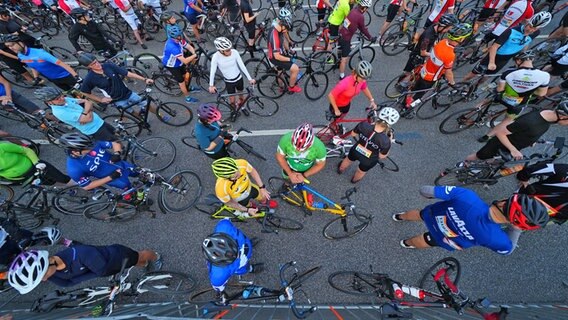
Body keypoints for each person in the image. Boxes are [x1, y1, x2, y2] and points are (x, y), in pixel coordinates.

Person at [393, 186, 548, 254]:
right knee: (427, 240)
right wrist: (515, 229)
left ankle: (399, 216)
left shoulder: (467, 196)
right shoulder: (498, 240)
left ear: (503, 202)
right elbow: (508, 250)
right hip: (448, 239)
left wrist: (432, 195)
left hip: (434, 215)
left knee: (420, 214)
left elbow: (425, 190)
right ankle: (406, 243)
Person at [8, 244, 162, 294]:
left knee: (139, 256)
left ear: (49, 263)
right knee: (136, 263)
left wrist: (113, 280)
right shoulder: (52, 273)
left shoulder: (81, 254)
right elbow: (68, 283)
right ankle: (145, 265)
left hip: (116, 256)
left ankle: (156, 256)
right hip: (106, 268)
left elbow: (101, 271)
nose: (45, 279)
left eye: (43, 275)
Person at [477, 51, 550, 143]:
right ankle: (487, 137)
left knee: (486, 100)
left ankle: (472, 113)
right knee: (507, 120)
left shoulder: (509, 72)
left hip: (503, 97)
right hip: (519, 103)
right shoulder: (544, 76)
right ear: (532, 60)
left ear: (519, 61)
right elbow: (541, 94)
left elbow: (500, 89)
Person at [462, 12, 552, 83]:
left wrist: (522, 55)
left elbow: (525, 43)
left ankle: (473, 88)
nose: (530, 30)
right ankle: (459, 85)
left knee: (486, 77)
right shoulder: (511, 31)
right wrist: (491, 62)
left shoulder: (536, 33)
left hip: (505, 60)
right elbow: (494, 47)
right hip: (495, 56)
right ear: (528, 22)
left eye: (534, 29)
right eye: (530, 26)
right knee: (472, 74)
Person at [464, 103, 568, 162]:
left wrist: (532, 140)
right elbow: (500, 133)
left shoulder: (548, 118)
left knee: (493, 161)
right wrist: (513, 150)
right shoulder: (530, 122)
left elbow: (529, 132)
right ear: (563, 116)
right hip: (499, 145)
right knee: (478, 156)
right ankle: (462, 165)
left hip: (514, 145)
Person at [407, 23, 472, 104]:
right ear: (461, 39)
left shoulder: (443, 42)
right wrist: (452, 83)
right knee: (419, 95)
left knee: (414, 88)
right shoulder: (450, 54)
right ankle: (407, 107)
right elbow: (448, 72)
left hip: (424, 69)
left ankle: (404, 101)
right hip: (430, 78)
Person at [77, 52, 157, 118]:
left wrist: (145, 79)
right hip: (116, 100)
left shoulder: (108, 66)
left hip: (127, 93)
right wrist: (100, 99)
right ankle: (142, 121)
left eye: (96, 61)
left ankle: (160, 116)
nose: (97, 64)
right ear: (88, 67)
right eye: (93, 64)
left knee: (146, 104)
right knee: (132, 112)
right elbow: (84, 92)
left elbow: (127, 73)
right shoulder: (90, 78)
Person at [337, 107, 400, 183]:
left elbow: (353, 134)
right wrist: (389, 140)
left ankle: (340, 170)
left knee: (348, 160)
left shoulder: (364, 124)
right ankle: (354, 180)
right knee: (361, 171)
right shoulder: (385, 141)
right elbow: (382, 156)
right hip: (369, 159)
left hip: (356, 149)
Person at [202, 219, 262, 296]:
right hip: (241, 260)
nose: (237, 256)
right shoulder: (218, 275)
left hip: (245, 244)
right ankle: (250, 268)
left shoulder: (224, 225)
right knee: (243, 268)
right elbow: (218, 286)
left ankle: (249, 246)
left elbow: (219, 287)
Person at [34, 86, 117, 142]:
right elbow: (88, 118)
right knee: (114, 142)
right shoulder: (60, 112)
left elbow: (86, 101)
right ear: (49, 102)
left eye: (61, 95)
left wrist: (85, 111)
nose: (62, 98)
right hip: (95, 130)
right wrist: (89, 109)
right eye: (57, 99)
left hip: (99, 121)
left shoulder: (65, 99)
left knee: (115, 134)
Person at [59, 132, 135, 192]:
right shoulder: (74, 169)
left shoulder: (91, 143)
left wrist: (117, 153)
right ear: (76, 152)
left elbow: (115, 142)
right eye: (87, 148)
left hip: (123, 165)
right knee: (129, 189)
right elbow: (86, 186)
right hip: (115, 179)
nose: (92, 148)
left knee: (141, 174)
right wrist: (110, 177)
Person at [1, 35, 81, 91]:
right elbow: (33, 66)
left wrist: (76, 76)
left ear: (20, 43)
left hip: (65, 76)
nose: (11, 48)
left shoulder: (39, 53)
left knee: (84, 92)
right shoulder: (20, 55)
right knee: (74, 95)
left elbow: (61, 64)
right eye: (8, 47)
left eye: (12, 45)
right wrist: (36, 77)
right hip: (53, 79)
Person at [209, 37, 255, 108]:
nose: (230, 51)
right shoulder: (216, 57)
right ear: (221, 51)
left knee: (241, 97)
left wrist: (250, 79)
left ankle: (242, 107)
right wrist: (211, 85)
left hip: (239, 78)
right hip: (229, 82)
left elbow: (242, 66)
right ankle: (233, 111)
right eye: (227, 50)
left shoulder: (235, 52)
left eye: (230, 49)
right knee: (232, 100)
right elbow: (213, 71)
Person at [337, 0, 377, 79]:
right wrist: (370, 37)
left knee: (340, 48)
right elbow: (363, 28)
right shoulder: (360, 16)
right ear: (364, 8)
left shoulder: (353, 10)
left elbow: (353, 23)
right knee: (344, 59)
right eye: (367, 8)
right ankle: (341, 75)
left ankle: (338, 61)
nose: (367, 10)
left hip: (341, 33)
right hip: (346, 38)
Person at [0, 141, 70, 185]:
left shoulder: (2, 147)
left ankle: (73, 185)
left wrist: (36, 163)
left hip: (36, 166)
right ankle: (64, 189)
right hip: (21, 178)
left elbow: (26, 151)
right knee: (50, 183)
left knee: (62, 178)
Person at [267, 9, 302, 93]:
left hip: (277, 52)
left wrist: (288, 46)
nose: (287, 31)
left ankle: (281, 87)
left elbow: (284, 37)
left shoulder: (278, 25)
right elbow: (277, 56)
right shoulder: (275, 36)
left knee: (280, 70)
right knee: (295, 69)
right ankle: (291, 87)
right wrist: (289, 59)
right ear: (283, 26)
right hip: (275, 57)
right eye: (286, 29)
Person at [162, 25, 200, 103]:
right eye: (176, 38)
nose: (178, 39)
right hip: (172, 66)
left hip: (179, 62)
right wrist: (195, 55)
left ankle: (188, 88)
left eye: (179, 37)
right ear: (172, 37)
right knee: (182, 82)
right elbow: (185, 61)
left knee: (186, 74)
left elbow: (189, 47)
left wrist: (193, 52)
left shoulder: (179, 39)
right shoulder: (172, 47)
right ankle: (188, 98)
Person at [0, 8, 37, 84]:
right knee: (22, 70)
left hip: (12, 49)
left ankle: (36, 76)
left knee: (31, 61)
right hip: (6, 55)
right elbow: (3, 52)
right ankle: (33, 81)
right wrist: (18, 57)